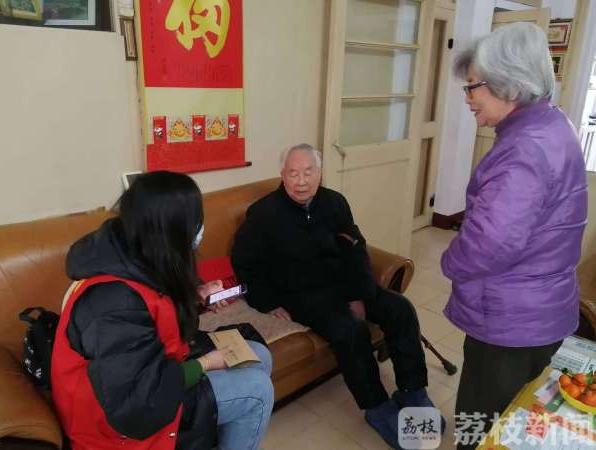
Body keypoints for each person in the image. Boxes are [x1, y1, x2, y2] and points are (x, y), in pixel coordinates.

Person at [231, 143, 444, 448]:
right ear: (282, 175)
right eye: (293, 173)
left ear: (320, 173)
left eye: (308, 172)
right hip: (301, 293)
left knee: (400, 308)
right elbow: (244, 263)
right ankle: (376, 406)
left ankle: (413, 391)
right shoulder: (263, 214)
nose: (301, 181)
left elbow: (356, 249)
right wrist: (267, 302)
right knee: (349, 328)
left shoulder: (335, 203)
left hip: (344, 282)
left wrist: (358, 294)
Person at [441, 22, 588, 449]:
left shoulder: (523, 149)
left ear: (508, 83)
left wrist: (450, 259)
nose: (468, 98)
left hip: (509, 320)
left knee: (484, 424)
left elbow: (489, 245)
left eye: (474, 86)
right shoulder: (553, 124)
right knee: (520, 420)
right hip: (544, 307)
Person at [51, 171, 273, 450]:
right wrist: (205, 364)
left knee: (259, 355)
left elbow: (156, 307)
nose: (200, 228)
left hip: (156, 369)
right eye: (196, 219)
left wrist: (197, 295)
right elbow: (138, 403)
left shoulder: (139, 248)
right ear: (170, 226)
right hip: (118, 422)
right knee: (258, 390)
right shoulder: (112, 303)